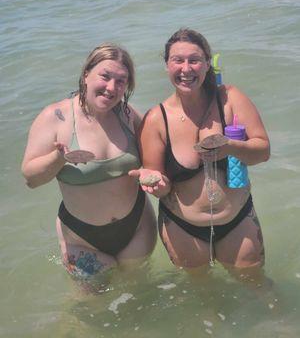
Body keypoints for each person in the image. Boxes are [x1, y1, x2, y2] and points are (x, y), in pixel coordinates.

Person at [130, 28, 270, 278]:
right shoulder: (156, 120)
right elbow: (161, 185)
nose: (186, 69)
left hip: (238, 221)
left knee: (259, 287)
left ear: (207, 63)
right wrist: (154, 183)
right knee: (203, 298)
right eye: (178, 60)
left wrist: (230, 146)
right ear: (166, 65)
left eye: (194, 60)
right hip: (183, 229)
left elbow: (263, 152)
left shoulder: (229, 99)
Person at [22, 43, 157, 282]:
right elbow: (31, 179)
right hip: (82, 238)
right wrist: (58, 158)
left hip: (137, 227)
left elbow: (155, 156)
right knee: (89, 309)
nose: (111, 87)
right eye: (105, 76)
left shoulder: (129, 115)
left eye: (121, 81)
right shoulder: (55, 117)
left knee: (138, 294)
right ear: (86, 74)